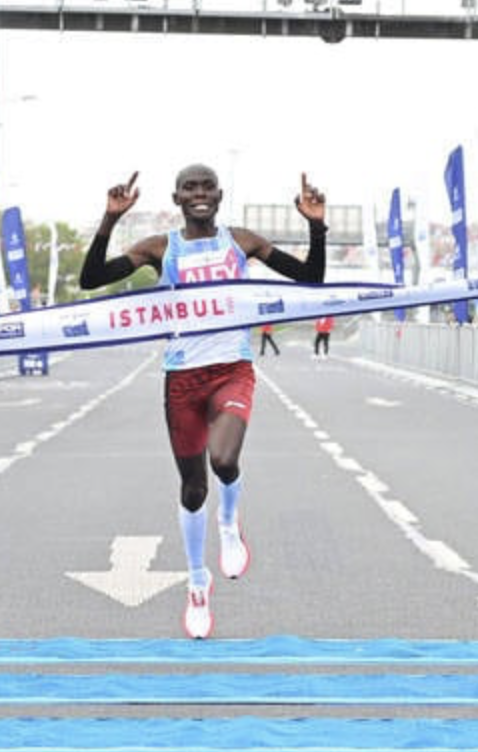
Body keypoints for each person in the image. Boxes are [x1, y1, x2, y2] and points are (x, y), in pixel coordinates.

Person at [80, 166, 328, 640]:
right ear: (177, 197)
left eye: (206, 187)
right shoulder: (160, 248)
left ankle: (230, 522)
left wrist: (316, 225)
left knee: (224, 458)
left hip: (231, 370)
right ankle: (198, 581)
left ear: (219, 195)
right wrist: (110, 220)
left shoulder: (242, 242)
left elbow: (311, 278)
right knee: (193, 488)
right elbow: (92, 279)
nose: (199, 194)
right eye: (190, 188)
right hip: (182, 380)